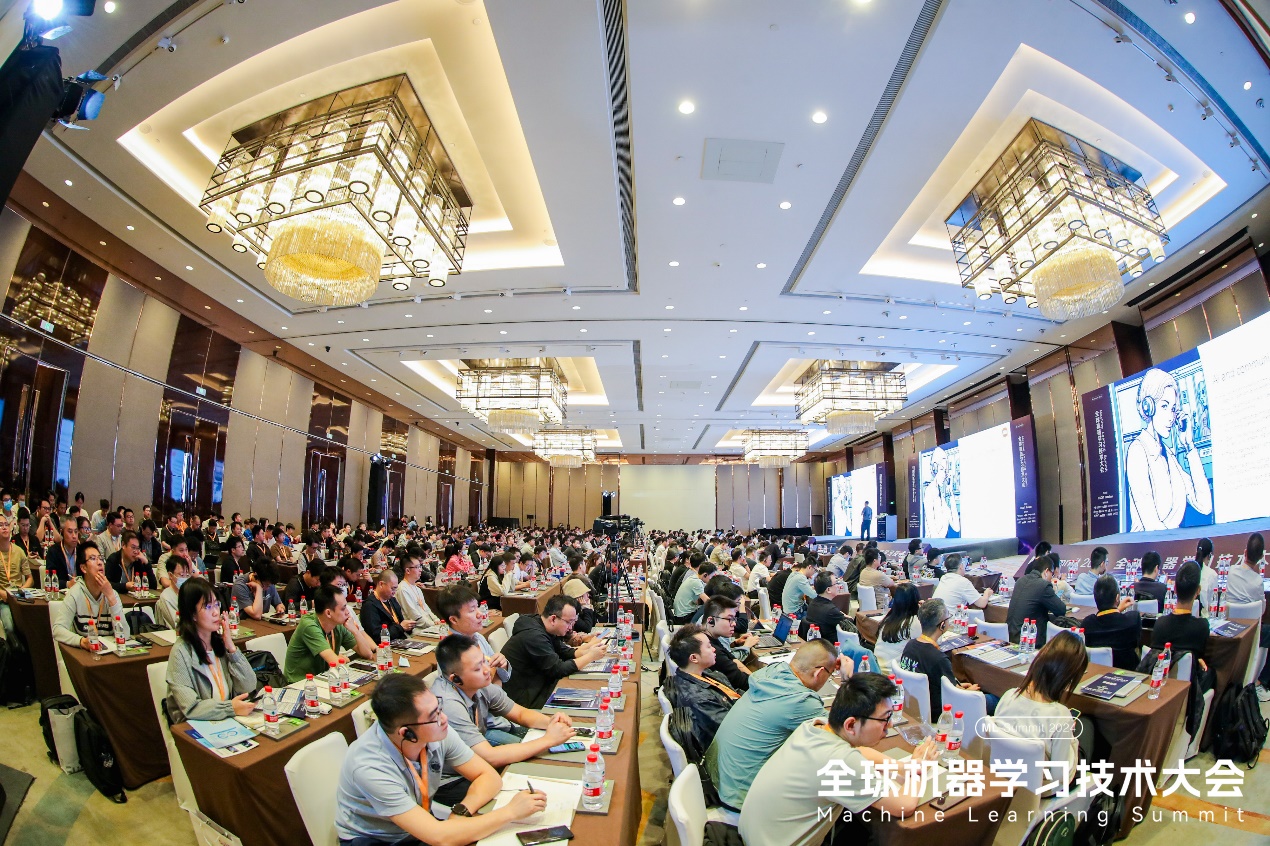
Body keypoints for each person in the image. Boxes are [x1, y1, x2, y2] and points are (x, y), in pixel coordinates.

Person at [335, 673, 547, 844]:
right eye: (434, 716)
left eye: (439, 708)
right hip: (379, 839)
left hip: (421, 826)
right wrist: (510, 812)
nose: (443, 718)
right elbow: (439, 837)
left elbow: (488, 776)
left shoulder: (435, 729)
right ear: (406, 733)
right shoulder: (370, 767)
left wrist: (461, 812)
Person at [739, 674, 943, 846]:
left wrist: (901, 767)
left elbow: (861, 752)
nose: (888, 726)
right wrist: (918, 769)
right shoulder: (840, 761)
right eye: (885, 718)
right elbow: (903, 806)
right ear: (851, 724)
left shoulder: (816, 726)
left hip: (758, 834)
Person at [706, 639, 850, 812]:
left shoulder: (772, 672)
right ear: (819, 673)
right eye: (830, 673)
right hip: (742, 798)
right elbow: (844, 732)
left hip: (718, 780)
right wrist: (846, 681)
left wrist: (830, 665)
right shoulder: (800, 701)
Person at [430, 634, 575, 803]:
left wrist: (552, 722)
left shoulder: (479, 684)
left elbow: (520, 714)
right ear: (455, 678)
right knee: (523, 793)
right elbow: (490, 757)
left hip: (477, 764)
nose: (487, 670)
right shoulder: (448, 705)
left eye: (484, 661)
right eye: (477, 668)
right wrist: (549, 740)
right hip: (451, 780)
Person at [1124, 367, 1212, 532]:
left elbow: (1205, 505)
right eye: (1164, 406)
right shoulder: (1137, 451)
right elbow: (1152, 526)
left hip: (1169, 544)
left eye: (1173, 409)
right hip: (1148, 547)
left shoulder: (1169, 455)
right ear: (1148, 407)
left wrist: (1189, 446)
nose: (1171, 417)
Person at [993, 631, 1089, 778]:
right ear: (1068, 678)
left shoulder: (1009, 695)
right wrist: (1071, 739)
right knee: (1087, 728)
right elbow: (1060, 777)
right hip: (1041, 786)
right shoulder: (1061, 716)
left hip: (1003, 776)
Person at [164, 577, 256, 722]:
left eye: (216, 604)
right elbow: (191, 708)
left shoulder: (219, 644)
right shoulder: (181, 652)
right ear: (192, 614)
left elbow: (249, 686)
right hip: (196, 726)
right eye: (208, 606)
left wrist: (231, 648)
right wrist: (230, 708)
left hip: (227, 720)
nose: (215, 612)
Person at [501, 595, 607, 708]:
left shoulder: (544, 626)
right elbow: (558, 669)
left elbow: (565, 652)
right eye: (569, 622)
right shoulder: (533, 636)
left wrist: (589, 650)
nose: (571, 628)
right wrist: (590, 656)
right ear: (553, 619)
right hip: (528, 699)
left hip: (541, 686)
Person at [898, 599, 985, 716]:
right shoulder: (938, 659)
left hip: (915, 706)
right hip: (940, 712)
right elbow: (953, 696)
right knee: (993, 699)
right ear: (942, 625)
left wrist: (957, 686)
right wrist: (969, 692)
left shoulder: (910, 645)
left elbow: (946, 684)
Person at [667, 624, 741, 750]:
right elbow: (734, 729)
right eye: (708, 646)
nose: (714, 650)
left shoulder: (704, 673)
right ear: (694, 658)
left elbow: (735, 693)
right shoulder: (698, 698)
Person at [284, 585, 377, 683]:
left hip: (324, 677)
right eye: (343, 609)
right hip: (301, 683)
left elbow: (368, 654)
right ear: (328, 613)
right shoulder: (309, 626)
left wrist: (355, 631)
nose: (347, 612)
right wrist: (340, 659)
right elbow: (336, 663)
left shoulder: (338, 624)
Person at [52, 541, 126, 650]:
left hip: (110, 654)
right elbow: (57, 630)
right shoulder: (75, 593)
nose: (99, 562)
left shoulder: (111, 593)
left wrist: (111, 597)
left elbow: (126, 635)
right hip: (85, 655)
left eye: (100, 558)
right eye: (93, 558)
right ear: (83, 568)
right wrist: (81, 641)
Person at [1226, 534, 1270, 700]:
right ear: (1260, 558)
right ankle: (1261, 682)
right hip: (1251, 632)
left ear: (1244, 552)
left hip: (1230, 629)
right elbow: (1262, 610)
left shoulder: (1231, 572)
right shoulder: (1258, 581)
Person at [1151, 561, 1209, 668]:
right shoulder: (1202, 626)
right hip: (1189, 677)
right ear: (1198, 590)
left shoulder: (1160, 624)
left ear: (1175, 589)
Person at [1078, 574, 1141, 670]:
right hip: (1127, 673)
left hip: (1096, 672)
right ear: (1117, 598)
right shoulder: (1132, 620)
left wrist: (1117, 609)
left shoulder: (1087, 625)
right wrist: (1117, 609)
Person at [700, 596, 757, 691]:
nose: (734, 624)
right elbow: (744, 683)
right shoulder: (711, 651)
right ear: (711, 621)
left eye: (734, 619)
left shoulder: (708, 637)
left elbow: (733, 659)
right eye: (729, 619)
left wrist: (735, 643)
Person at [1007, 556, 1067, 647]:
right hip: (1028, 641)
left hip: (1010, 635)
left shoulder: (1020, 580)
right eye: (1052, 574)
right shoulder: (1043, 585)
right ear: (1046, 571)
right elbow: (1061, 610)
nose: (1052, 578)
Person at [873, 582, 921, 673]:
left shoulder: (888, 619)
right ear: (916, 600)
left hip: (877, 668)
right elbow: (932, 641)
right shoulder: (913, 622)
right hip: (894, 674)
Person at [797, 571, 852, 643]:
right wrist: (845, 616)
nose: (838, 586)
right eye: (836, 583)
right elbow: (850, 625)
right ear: (828, 590)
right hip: (830, 646)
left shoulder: (812, 603)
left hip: (817, 644)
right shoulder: (830, 610)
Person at [361, 569, 415, 641]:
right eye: (392, 588)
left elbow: (400, 622)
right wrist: (401, 627)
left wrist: (409, 626)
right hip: (384, 644)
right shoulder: (369, 606)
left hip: (400, 639)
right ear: (381, 584)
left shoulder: (392, 600)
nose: (394, 592)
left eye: (396, 589)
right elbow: (376, 635)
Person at [922, 446, 960, 538]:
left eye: (946, 471)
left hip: (942, 543)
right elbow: (932, 528)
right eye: (942, 470)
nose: (944, 474)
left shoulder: (944, 497)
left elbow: (956, 527)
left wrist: (951, 497)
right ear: (934, 469)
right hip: (933, 543)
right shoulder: (929, 491)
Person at [396, 554, 441, 626]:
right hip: (417, 628)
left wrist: (436, 620)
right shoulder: (402, 589)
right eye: (417, 567)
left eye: (420, 566)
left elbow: (426, 608)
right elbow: (414, 617)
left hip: (428, 624)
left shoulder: (417, 588)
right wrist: (433, 624)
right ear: (408, 570)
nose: (421, 570)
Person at [155, 554, 193, 630]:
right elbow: (176, 624)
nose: (184, 578)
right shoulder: (166, 597)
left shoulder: (189, 593)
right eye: (181, 575)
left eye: (187, 574)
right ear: (170, 575)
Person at [673, 558, 714, 623]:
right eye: (711, 577)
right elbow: (708, 602)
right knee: (708, 609)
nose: (711, 579)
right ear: (705, 575)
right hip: (684, 617)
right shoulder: (696, 582)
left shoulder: (694, 577)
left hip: (681, 613)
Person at [44, 519, 80, 589]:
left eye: (76, 532)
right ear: (61, 532)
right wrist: (67, 584)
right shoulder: (53, 552)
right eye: (70, 532)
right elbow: (50, 579)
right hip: (61, 591)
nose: (74, 536)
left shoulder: (81, 551)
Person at [1194, 537, 1217, 617]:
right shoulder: (1212, 574)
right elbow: (1212, 604)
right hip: (1204, 618)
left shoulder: (1187, 569)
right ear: (1210, 555)